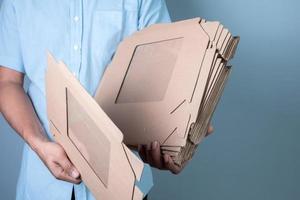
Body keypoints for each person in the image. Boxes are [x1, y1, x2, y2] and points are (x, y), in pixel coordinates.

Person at [0, 0, 214, 199]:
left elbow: (165, 74)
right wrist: (39, 143)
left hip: (122, 184)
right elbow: (7, 82)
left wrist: (175, 138)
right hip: (41, 188)